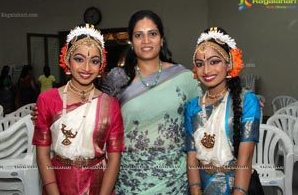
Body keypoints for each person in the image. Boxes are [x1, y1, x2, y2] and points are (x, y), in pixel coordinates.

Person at [101, 10, 202, 194]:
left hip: (175, 182)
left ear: (162, 39)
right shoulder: (118, 78)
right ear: (131, 41)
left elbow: (208, 112)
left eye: (152, 34)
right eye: (139, 35)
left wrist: (241, 101)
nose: (146, 40)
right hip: (130, 182)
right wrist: (50, 109)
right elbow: (95, 116)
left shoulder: (184, 77)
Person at [32, 24, 125, 195]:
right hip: (58, 181)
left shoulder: (110, 105)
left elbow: (114, 158)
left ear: (101, 66)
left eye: (94, 61)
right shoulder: (47, 99)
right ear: (67, 59)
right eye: (79, 59)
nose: (86, 68)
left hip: (98, 183)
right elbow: (43, 155)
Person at [184, 27, 261, 195]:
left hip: (239, 187)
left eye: (214, 62)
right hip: (203, 187)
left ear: (229, 63)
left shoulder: (247, 101)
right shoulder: (192, 107)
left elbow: (245, 160)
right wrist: (196, 191)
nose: (206, 70)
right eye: (200, 64)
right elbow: (191, 158)